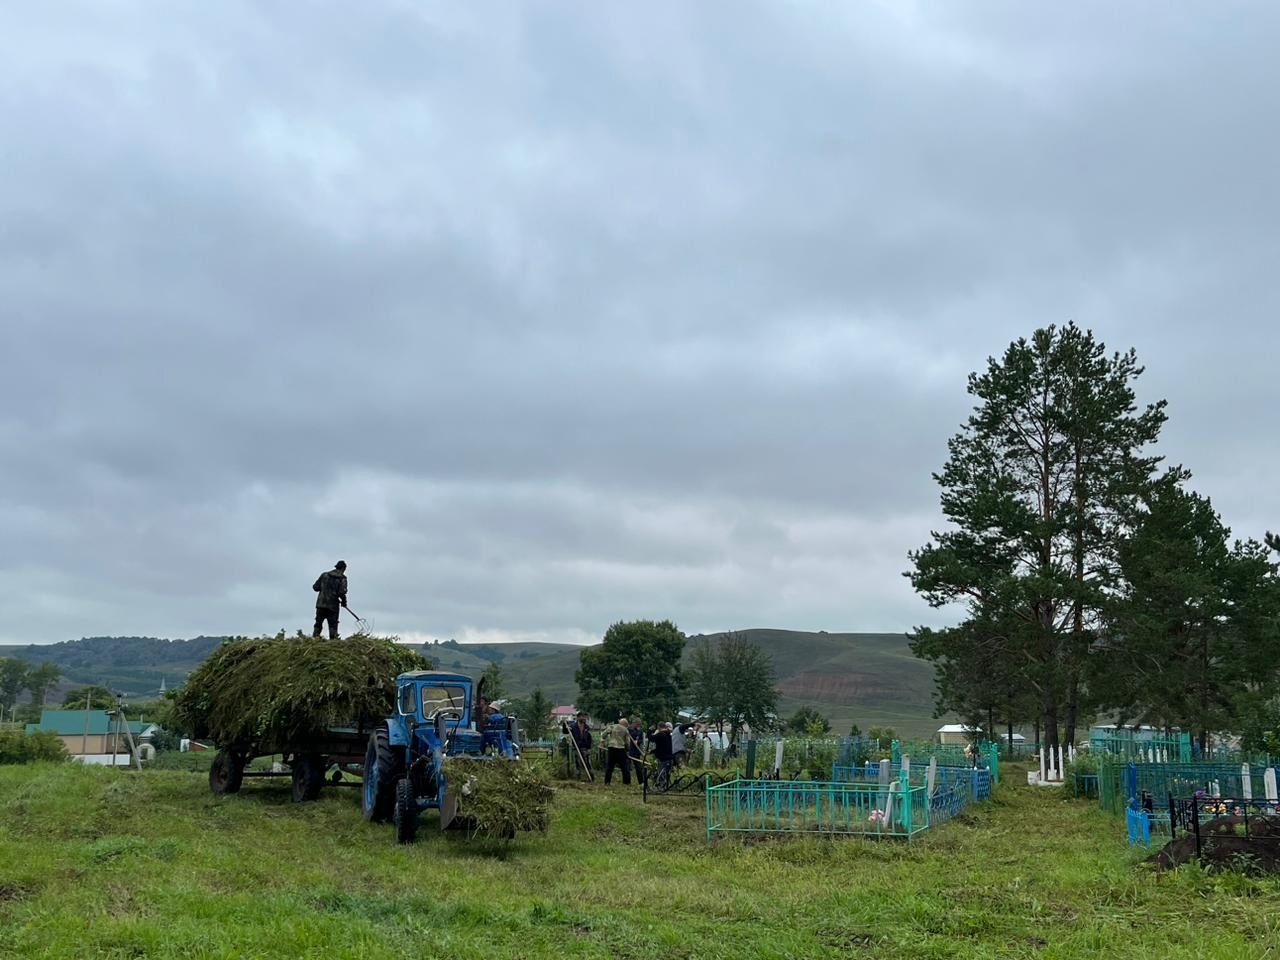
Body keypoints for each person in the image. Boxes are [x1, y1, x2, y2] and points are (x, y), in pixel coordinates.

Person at [312, 560, 349, 639]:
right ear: (343, 569)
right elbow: (342, 592)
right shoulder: (342, 578)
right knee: (333, 625)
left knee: (318, 623)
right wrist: (344, 602)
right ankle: (333, 642)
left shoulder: (324, 575)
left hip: (321, 604)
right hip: (333, 606)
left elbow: (315, 587)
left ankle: (314, 639)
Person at [603, 716, 632, 785]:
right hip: (620, 748)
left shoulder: (612, 726)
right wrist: (627, 750)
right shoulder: (625, 730)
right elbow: (628, 742)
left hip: (611, 747)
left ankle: (607, 781)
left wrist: (605, 739)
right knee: (624, 766)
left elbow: (604, 734)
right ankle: (626, 782)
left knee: (610, 766)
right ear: (625, 724)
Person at [564, 712, 593, 779]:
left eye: (584, 717)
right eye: (582, 717)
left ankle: (591, 776)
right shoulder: (573, 726)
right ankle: (578, 776)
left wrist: (589, 748)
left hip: (585, 747)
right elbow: (565, 731)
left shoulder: (587, 727)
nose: (584, 718)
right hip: (576, 747)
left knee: (587, 762)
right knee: (577, 762)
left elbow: (589, 739)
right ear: (578, 718)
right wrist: (565, 726)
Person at [648, 722, 674, 788]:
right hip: (670, 757)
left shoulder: (660, 734)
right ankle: (666, 786)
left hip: (663, 757)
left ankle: (661, 786)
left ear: (659, 727)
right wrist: (652, 751)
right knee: (667, 773)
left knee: (661, 772)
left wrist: (649, 730)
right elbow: (662, 746)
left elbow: (651, 738)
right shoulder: (669, 735)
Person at [628, 718, 647, 786]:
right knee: (627, 767)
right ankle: (627, 781)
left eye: (639, 724)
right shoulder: (629, 730)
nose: (638, 725)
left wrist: (638, 741)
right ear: (634, 723)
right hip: (629, 750)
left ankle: (641, 782)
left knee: (638, 767)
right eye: (637, 724)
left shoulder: (640, 731)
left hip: (637, 751)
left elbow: (641, 740)